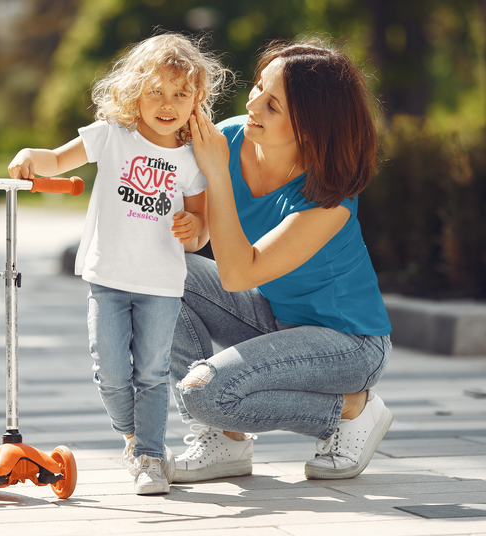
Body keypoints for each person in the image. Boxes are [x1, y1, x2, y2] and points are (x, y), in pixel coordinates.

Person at [8, 33, 231, 494]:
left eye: (180, 94)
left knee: (151, 372)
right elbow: (55, 160)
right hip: (109, 277)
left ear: (196, 102)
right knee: (110, 371)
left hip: (162, 284)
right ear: (135, 91)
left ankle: (150, 457)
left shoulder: (191, 160)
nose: (167, 104)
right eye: (157, 91)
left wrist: (196, 228)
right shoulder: (112, 135)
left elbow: (203, 226)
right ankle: (133, 437)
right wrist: (32, 156)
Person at [169, 37, 393, 483]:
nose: (253, 105)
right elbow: (206, 234)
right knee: (163, 274)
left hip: (348, 344)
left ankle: (353, 408)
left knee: (205, 392)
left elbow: (236, 273)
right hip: (273, 317)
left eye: (272, 105)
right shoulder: (233, 138)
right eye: (256, 89)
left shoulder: (330, 198)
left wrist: (214, 171)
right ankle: (224, 441)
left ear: (309, 127)